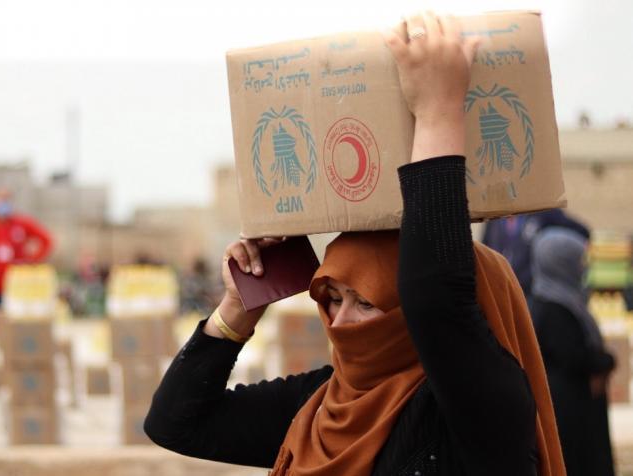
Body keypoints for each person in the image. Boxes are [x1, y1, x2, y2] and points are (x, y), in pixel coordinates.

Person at [144, 13, 565, 475]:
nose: (341, 322)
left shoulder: (476, 407)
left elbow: (437, 300)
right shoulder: (322, 406)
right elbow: (176, 423)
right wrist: (240, 307)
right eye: (332, 299)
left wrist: (438, 114)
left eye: (364, 302)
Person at [530, 228, 616, 476]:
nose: (582, 268)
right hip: (569, 409)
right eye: (577, 261)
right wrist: (607, 360)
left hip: (576, 403)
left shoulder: (561, 301)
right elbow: (573, 357)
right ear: (561, 263)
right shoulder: (553, 308)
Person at [0, 189, 53, 331]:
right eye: (0, 200)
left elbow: (46, 240)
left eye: (6, 200)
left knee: (16, 327)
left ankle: (13, 350)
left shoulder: (22, 224)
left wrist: (32, 260)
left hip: (17, 287)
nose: (3, 204)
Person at [482, 209, 590, 295]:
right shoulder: (494, 218)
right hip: (502, 288)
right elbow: (486, 248)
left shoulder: (541, 212)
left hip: (532, 289)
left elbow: (582, 231)